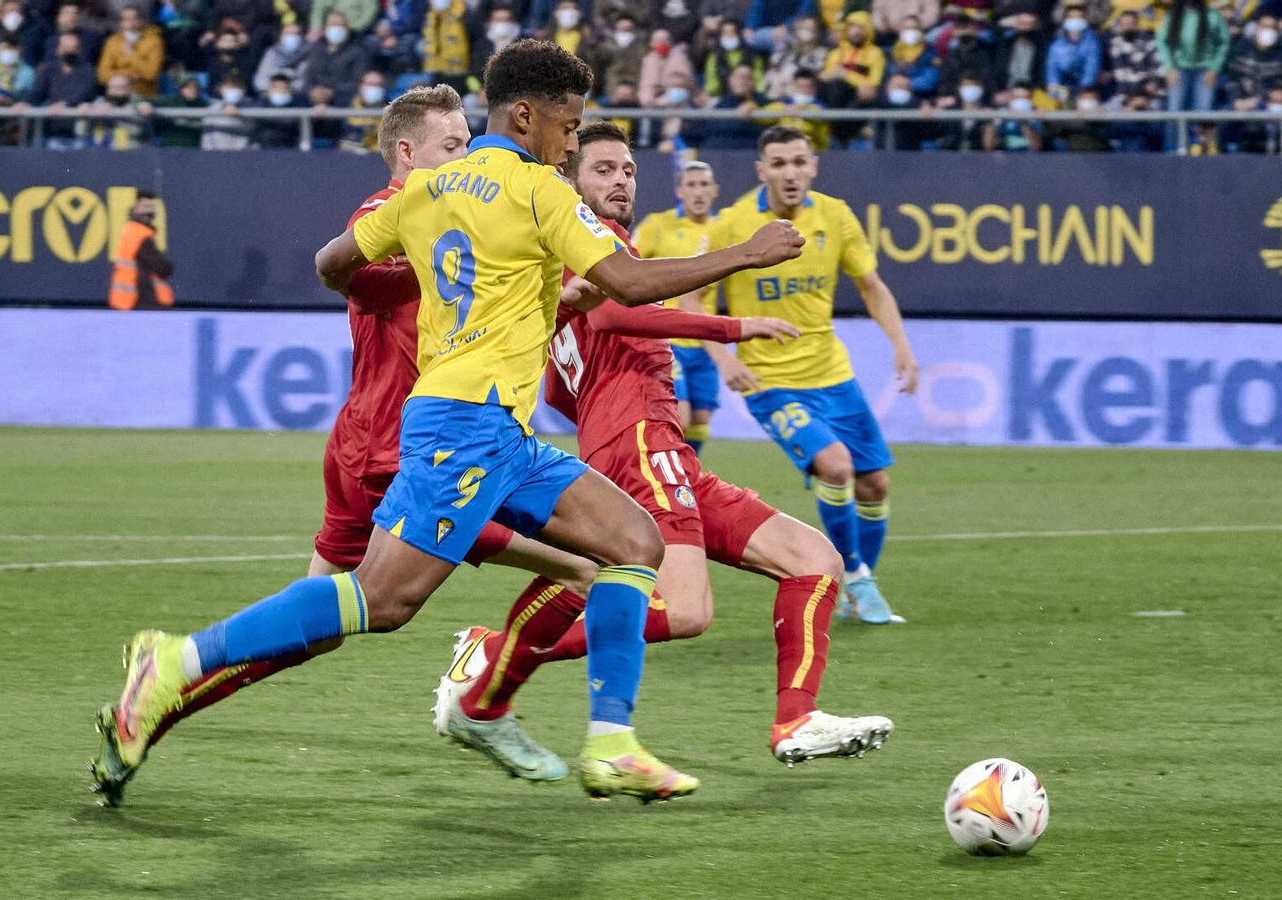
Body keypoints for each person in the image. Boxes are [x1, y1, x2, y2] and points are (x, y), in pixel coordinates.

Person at [90, 38, 805, 808]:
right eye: (569, 127)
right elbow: (627, 282)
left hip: (493, 429)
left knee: (634, 541)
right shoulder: (539, 191)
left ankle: (612, 742)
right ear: (527, 115)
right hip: (456, 429)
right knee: (380, 602)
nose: (573, 143)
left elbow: (333, 264)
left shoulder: (423, 193)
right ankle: (179, 660)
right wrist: (747, 252)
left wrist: (410, 280)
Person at [119, 85, 596, 788]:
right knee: (583, 564)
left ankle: (148, 710)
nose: (468, 157)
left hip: (377, 446)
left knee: (314, 628)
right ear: (407, 154)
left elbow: (473, 320)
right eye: (453, 146)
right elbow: (368, 278)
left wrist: (554, 303)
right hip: (413, 451)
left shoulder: (459, 217)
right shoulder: (390, 209)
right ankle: (485, 696)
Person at [438, 121, 893, 773]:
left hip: (655, 447)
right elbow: (618, 310)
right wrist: (730, 324)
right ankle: (493, 661)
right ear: (570, 180)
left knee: (811, 557)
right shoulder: (580, 242)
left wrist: (603, 393)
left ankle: (797, 719)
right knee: (683, 611)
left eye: (626, 170)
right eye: (602, 170)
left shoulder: (563, 259)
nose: (620, 180)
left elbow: (563, 387)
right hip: (640, 446)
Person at [700, 126, 918, 625]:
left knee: (875, 485)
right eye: (779, 163)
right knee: (836, 466)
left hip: (833, 376)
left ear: (814, 165)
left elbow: (872, 286)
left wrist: (902, 347)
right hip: (768, 380)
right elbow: (694, 299)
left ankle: (856, 589)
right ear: (761, 171)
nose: (790, 173)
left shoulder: (835, 216)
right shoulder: (734, 223)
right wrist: (725, 358)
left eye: (799, 161)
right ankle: (856, 578)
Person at [634, 160, 722, 454]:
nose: (698, 192)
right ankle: (665, 475)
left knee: (700, 419)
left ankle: (687, 476)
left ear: (715, 191)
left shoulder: (724, 231)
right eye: (691, 185)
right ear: (679, 191)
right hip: (667, 339)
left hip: (706, 341)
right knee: (680, 418)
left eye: (704, 184)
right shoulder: (658, 226)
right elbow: (629, 265)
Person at [1156, 0, 1228, 149]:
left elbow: (1223, 42)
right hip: (1179, 70)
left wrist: (1214, 68)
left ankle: (1201, 147)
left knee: (1203, 110)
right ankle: (1174, 148)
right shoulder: (1174, 16)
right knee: (1174, 110)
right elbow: (1162, 41)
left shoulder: (1212, 15)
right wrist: (1170, 68)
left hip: (1205, 70)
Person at [107, 189, 173, 311]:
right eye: (146, 206)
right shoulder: (141, 235)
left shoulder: (130, 230)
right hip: (141, 301)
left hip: (127, 301)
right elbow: (161, 267)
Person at [97, 7, 164, 97]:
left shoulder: (154, 41)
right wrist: (129, 75)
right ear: (121, 23)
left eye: (135, 18)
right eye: (127, 19)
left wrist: (132, 54)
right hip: (117, 94)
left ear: (141, 21)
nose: (131, 22)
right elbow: (102, 74)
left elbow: (151, 74)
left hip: (144, 95)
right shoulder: (112, 42)